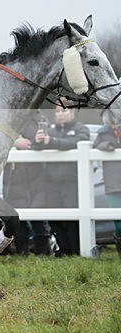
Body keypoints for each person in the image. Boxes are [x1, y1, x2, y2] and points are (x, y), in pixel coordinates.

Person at [33, 103, 90, 256]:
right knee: (54, 217)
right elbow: (37, 148)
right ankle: (63, 250)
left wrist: (51, 142)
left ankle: (76, 250)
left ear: (72, 112)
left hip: (72, 180)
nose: (60, 114)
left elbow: (75, 143)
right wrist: (37, 142)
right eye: (57, 111)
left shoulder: (81, 129)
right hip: (51, 181)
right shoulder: (50, 131)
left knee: (72, 218)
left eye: (63, 110)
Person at [2, 111, 57, 255]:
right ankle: (21, 251)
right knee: (17, 212)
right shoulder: (10, 117)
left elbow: (46, 142)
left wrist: (37, 142)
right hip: (14, 173)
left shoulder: (42, 120)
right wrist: (15, 141)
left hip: (36, 173)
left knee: (38, 212)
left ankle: (43, 251)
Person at [93, 123, 121, 257]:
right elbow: (95, 146)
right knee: (118, 223)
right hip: (113, 182)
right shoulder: (103, 133)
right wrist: (108, 146)